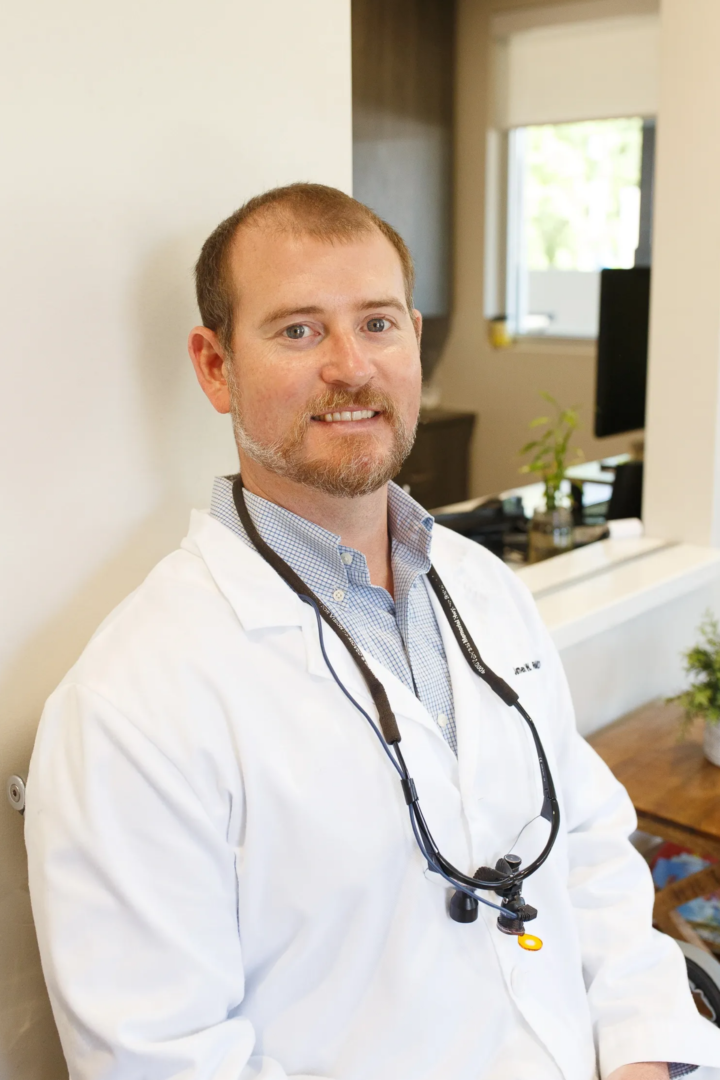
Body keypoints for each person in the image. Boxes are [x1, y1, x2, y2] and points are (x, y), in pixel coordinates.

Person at [25, 183, 720, 1080]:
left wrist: (643, 1054)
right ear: (214, 366)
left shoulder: (481, 587)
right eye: (299, 330)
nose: (351, 366)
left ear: (414, 342)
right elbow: (160, 1058)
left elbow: (583, 844)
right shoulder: (130, 702)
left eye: (379, 323)